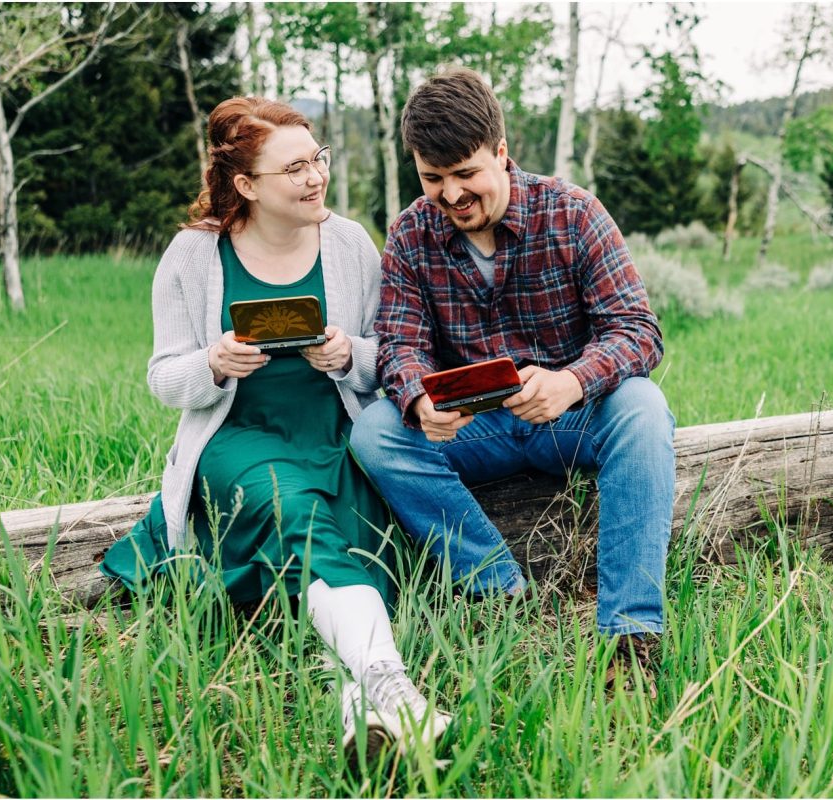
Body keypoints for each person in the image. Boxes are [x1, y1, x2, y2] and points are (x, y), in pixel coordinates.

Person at [99, 97, 449, 757]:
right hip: (240, 442)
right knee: (294, 515)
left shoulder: (347, 244)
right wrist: (213, 362)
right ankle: (393, 684)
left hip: (337, 435)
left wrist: (351, 355)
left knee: (335, 549)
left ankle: (361, 709)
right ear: (246, 185)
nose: (315, 176)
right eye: (293, 169)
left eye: (316, 159)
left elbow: (395, 358)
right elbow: (162, 378)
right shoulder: (192, 256)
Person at [350, 67, 676, 694]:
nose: (450, 195)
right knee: (375, 431)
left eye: (466, 174)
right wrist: (418, 397)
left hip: (571, 420)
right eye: (433, 178)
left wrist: (572, 381)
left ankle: (631, 636)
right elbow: (399, 343)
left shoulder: (574, 213)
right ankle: (499, 592)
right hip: (476, 431)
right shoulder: (412, 234)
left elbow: (639, 331)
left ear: (502, 153)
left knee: (642, 406)